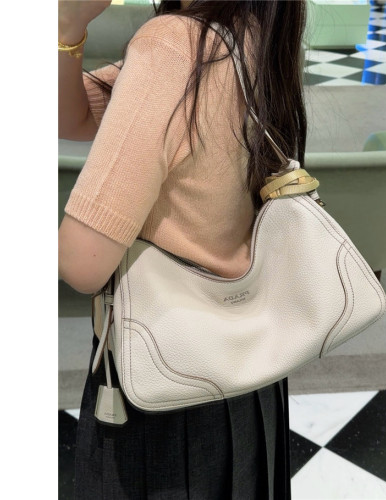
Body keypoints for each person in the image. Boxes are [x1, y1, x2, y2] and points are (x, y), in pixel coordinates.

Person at [58, 0, 307, 497]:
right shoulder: (259, 28)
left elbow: (81, 263)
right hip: (249, 366)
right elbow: (73, 117)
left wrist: (65, 20)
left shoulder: (172, 46)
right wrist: (69, 29)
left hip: (163, 373)